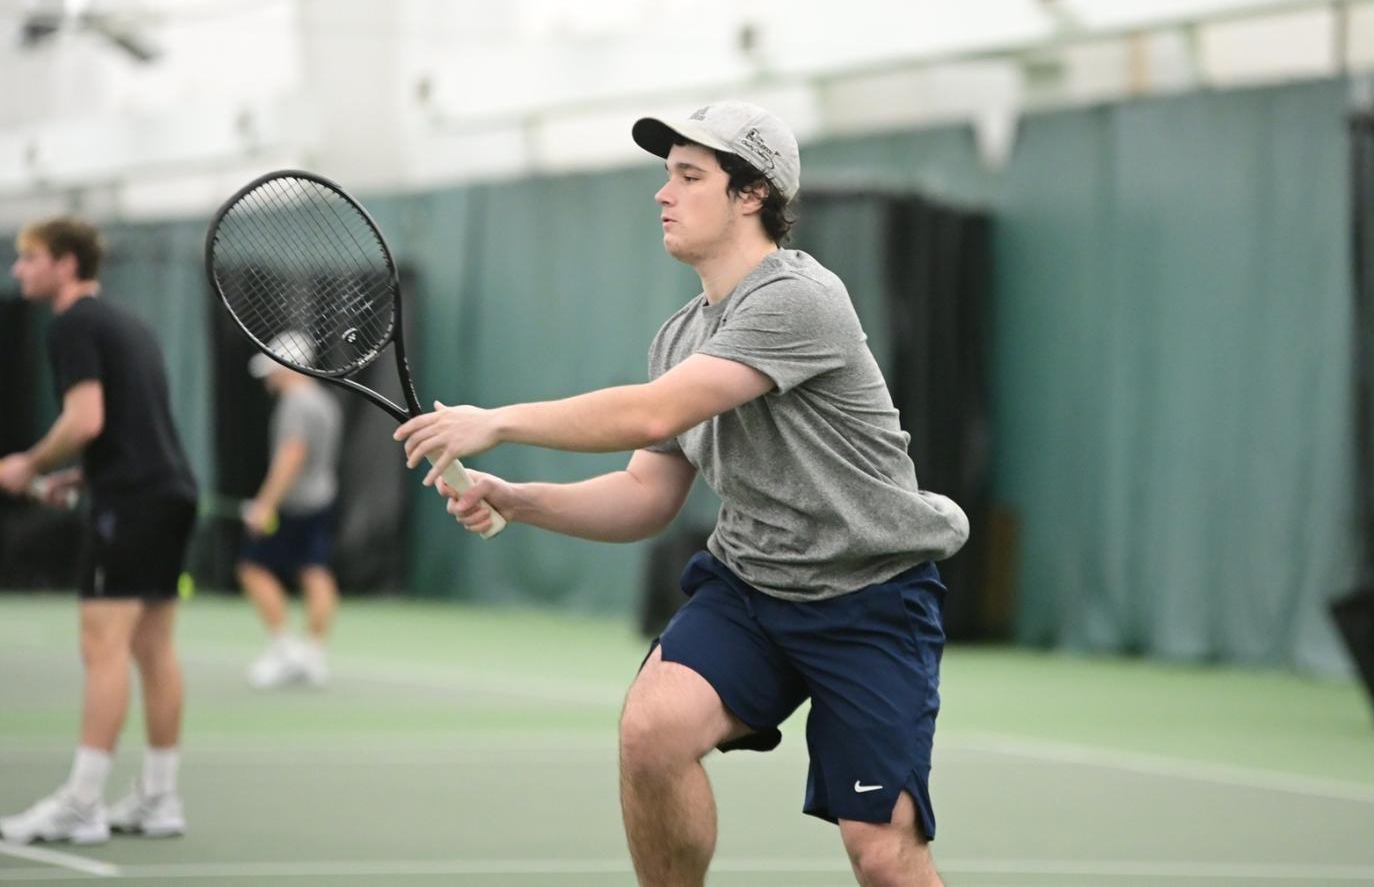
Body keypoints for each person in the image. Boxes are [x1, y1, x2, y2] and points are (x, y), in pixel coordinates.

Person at [395, 101, 969, 887]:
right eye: (666, 175)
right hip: (753, 588)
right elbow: (645, 494)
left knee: (883, 853)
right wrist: (516, 496)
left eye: (689, 176)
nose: (663, 194)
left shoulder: (799, 297)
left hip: (870, 597)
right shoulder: (678, 334)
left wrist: (495, 421)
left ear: (752, 195)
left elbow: (657, 410)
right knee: (651, 731)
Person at [0, 218, 197, 844]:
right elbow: (133, 429)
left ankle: (82, 803)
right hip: (169, 494)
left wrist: (30, 464)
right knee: (153, 646)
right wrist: (83, 479)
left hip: (133, 504)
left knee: (103, 645)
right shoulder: (129, 323)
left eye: (28, 258)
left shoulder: (73, 324)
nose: (18, 270)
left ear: (64, 263)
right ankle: (160, 798)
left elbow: (86, 418)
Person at [238, 331, 344, 689]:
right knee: (314, 570)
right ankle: (312, 655)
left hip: (295, 505)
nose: (269, 377)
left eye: (273, 369)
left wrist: (264, 504)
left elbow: (292, 456)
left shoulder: (296, 404)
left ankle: (286, 651)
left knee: (252, 569)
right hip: (322, 501)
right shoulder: (323, 402)